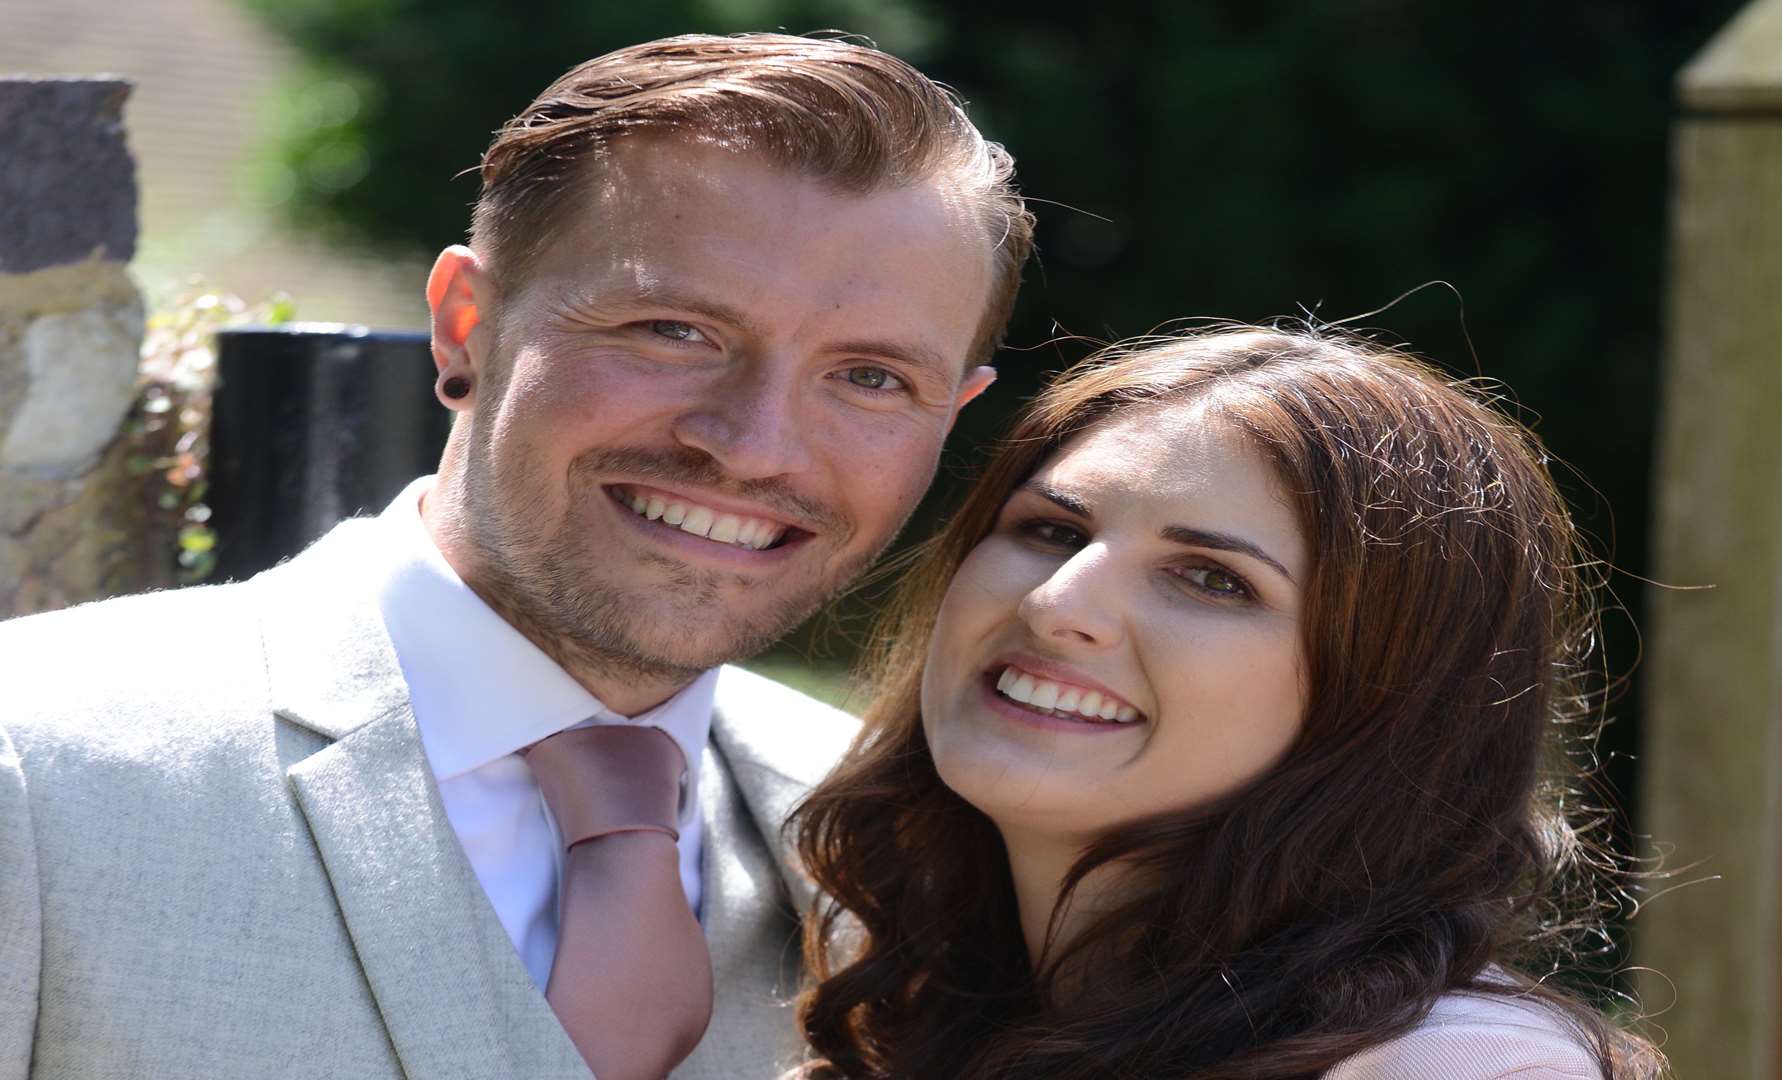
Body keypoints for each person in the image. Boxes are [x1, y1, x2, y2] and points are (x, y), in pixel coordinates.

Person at [0, 33, 1032, 1080]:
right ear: (466, 325)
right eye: (675, 330)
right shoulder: (34, 765)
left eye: (869, 378)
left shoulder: (921, 856)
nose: (757, 447)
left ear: (954, 412)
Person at [790, 325, 1667, 1079]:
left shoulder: (1454, 1065)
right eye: (1051, 530)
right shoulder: (904, 1008)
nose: (1056, 604)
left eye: (1212, 579)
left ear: (1388, 697)